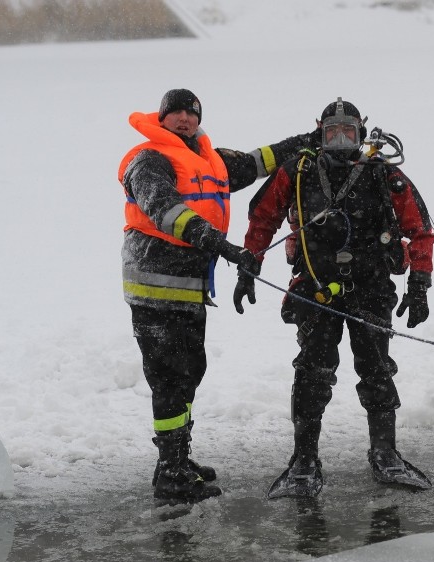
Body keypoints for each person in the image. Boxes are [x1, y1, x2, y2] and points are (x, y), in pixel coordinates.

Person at [233, 98, 434, 498]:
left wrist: (419, 284)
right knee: (312, 372)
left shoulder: (383, 174)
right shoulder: (299, 171)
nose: (340, 140)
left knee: (377, 369)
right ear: (319, 133)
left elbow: (420, 230)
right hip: (315, 287)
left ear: (362, 134)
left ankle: (385, 453)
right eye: (332, 133)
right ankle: (304, 459)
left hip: (371, 288)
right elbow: (263, 217)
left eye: (348, 133)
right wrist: (249, 264)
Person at [118, 88, 314, 504]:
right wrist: (221, 245)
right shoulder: (149, 159)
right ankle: (171, 475)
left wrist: (306, 141)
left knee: (189, 370)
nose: (185, 120)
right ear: (162, 117)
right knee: (169, 379)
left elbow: (257, 161)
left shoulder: (208, 159)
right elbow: (166, 212)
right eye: (177, 114)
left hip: (187, 288)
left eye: (192, 114)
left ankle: (175, 457)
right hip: (154, 286)